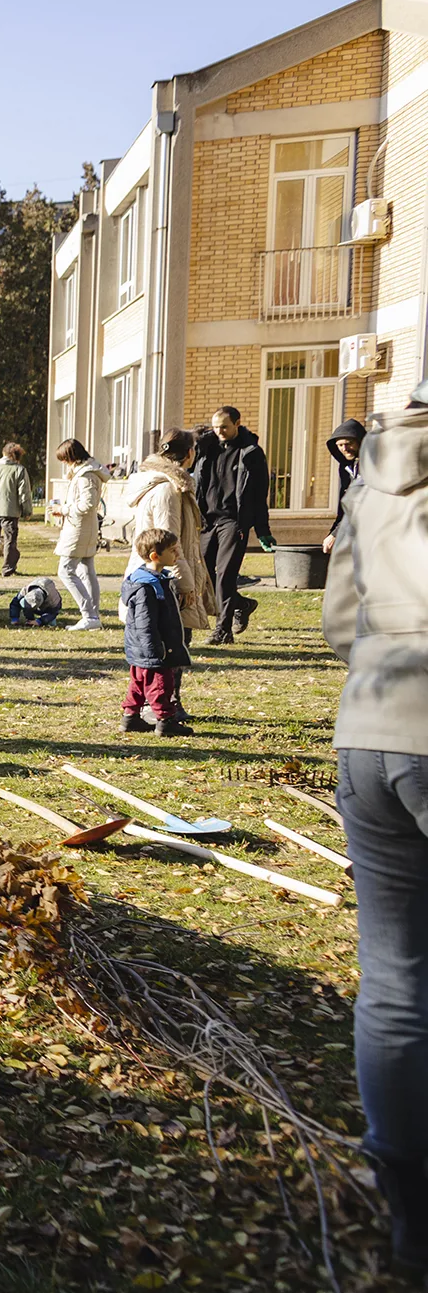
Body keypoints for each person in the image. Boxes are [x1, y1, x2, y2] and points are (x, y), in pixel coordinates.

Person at [322, 387, 428, 1274]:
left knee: (395, 980)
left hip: (371, 724)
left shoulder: (374, 477)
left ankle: (405, 1196)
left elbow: (334, 623)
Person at [123, 430, 218, 705]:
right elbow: (169, 545)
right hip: (162, 583)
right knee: (167, 647)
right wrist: (185, 585)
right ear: (189, 453)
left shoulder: (164, 484)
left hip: (159, 579)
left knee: (161, 646)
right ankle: (163, 706)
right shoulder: (167, 489)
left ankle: (152, 706)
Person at [193, 406, 276, 644]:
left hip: (234, 521)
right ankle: (242, 604)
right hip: (207, 521)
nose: (219, 431)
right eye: (216, 426)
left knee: (226, 576)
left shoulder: (251, 453)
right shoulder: (205, 448)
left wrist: (263, 530)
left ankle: (223, 630)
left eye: (224, 427)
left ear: (237, 424)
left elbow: (260, 495)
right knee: (204, 575)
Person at [118, 528, 193, 737]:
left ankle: (130, 717)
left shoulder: (158, 579)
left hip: (143, 650)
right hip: (152, 650)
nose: (177, 554)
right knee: (161, 685)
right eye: (172, 550)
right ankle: (165, 720)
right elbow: (145, 624)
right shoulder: (146, 586)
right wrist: (155, 651)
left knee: (139, 684)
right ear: (155, 555)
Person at [54, 439, 106, 631]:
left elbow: (88, 503)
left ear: (71, 457)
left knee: (65, 570)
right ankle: (94, 615)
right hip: (84, 527)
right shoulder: (85, 473)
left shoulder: (86, 476)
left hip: (78, 529)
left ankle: (89, 614)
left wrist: (64, 509)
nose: (63, 464)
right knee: (86, 570)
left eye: (64, 460)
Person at [0, 442, 33, 575]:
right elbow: (24, 492)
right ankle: (8, 568)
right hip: (10, 510)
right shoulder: (19, 470)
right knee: (10, 540)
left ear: (3, 453)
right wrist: (27, 511)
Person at [324, 417, 365, 555]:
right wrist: (333, 532)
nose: (344, 449)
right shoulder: (346, 468)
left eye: (349, 443)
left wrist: (336, 534)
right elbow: (345, 505)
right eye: (340, 445)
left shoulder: (372, 464)